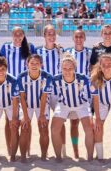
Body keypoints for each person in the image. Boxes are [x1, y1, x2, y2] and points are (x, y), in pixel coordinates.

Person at [0, 26, 35, 156]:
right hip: (9, 89)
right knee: (9, 121)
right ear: (12, 36)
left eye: (20, 34)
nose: (18, 36)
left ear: (24, 35)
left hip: (27, 89)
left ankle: (27, 148)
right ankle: (10, 148)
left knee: (27, 120)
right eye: (15, 34)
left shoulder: (30, 48)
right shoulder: (5, 48)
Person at [51, 53, 94, 162]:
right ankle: (58, 157)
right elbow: (53, 97)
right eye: (65, 68)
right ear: (61, 68)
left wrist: (89, 113)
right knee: (54, 129)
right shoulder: (56, 79)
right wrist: (58, 112)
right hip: (63, 104)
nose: (67, 70)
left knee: (89, 128)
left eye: (70, 68)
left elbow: (89, 97)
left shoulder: (83, 78)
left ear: (74, 68)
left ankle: (89, 158)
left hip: (81, 104)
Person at [36, 24, 67, 157]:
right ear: (44, 36)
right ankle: (45, 152)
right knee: (43, 123)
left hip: (58, 91)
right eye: (49, 33)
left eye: (53, 33)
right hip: (43, 92)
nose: (51, 36)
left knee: (60, 122)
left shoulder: (61, 51)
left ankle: (63, 149)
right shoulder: (38, 52)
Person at [17, 54, 53, 162]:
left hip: (41, 105)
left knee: (44, 129)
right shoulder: (21, 76)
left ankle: (43, 156)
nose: (34, 65)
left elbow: (44, 97)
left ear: (41, 65)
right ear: (27, 64)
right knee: (24, 128)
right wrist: (25, 116)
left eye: (37, 63)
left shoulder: (47, 77)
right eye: (32, 63)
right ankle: (23, 157)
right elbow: (22, 98)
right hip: (26, 105)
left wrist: (42, 115)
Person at [64, 29, 91, 159]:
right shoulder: (67, 53)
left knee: (89, 124)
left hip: (86, 93)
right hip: (71, 93)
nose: (79, 39)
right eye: (76, 36)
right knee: (74, 124)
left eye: (81, 36)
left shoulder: (90, 53)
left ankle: (91, 151)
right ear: (73, 38)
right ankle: (75, 151)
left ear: (84, 38)